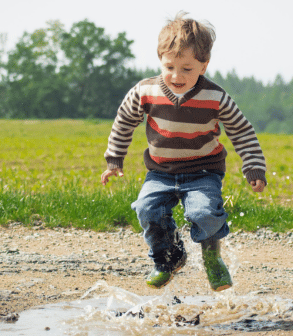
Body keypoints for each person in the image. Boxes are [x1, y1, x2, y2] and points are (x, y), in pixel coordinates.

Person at [101, 11, 266, 292]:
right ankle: (168, 258)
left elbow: (241, 131)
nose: (177, 76)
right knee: (147, 209)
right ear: (161, 61)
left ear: (204, 66)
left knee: (203, 213)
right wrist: (114, 158)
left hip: (203, 172)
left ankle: (212, 256)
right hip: (160, 172)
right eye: (170, 67)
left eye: (187, 69)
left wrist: (253, 167)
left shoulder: (216, 97)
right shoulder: (145, 91)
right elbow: (124, 121)